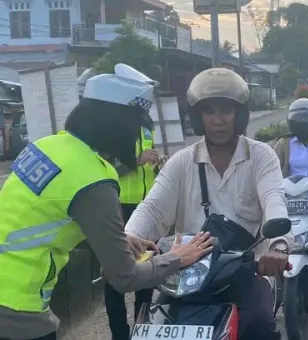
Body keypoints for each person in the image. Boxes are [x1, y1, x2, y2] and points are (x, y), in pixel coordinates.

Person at [0, 66, 212, 340]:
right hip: (14, 307)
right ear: (119, 126)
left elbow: (40, 218)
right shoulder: (94, 179)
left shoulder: (47, 146)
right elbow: (125, 278)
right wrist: (176, 259)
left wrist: (119, 241)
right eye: (136, 126)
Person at [123, 68, 292, 340]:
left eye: (226, 110)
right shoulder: (182, 161)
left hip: (246, 272)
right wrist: (129, 238)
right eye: (209, 111)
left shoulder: (262, 157)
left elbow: (274, 199)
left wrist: (279, 246)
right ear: (198, 117)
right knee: (149, 328)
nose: (218, 120)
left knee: (261, 326)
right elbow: (152, 208)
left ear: (239, 114)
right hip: (183, 274)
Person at [101, 65, 161, 340]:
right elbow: (104, 170)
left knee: (146, 271)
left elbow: (146, 166)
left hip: (144, 208)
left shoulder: (146, 127)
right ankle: (119, 334)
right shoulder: (111, 132)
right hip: (119, 208)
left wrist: (157, 167)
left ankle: (142, 326)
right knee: (115, 275)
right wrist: (136, 162)